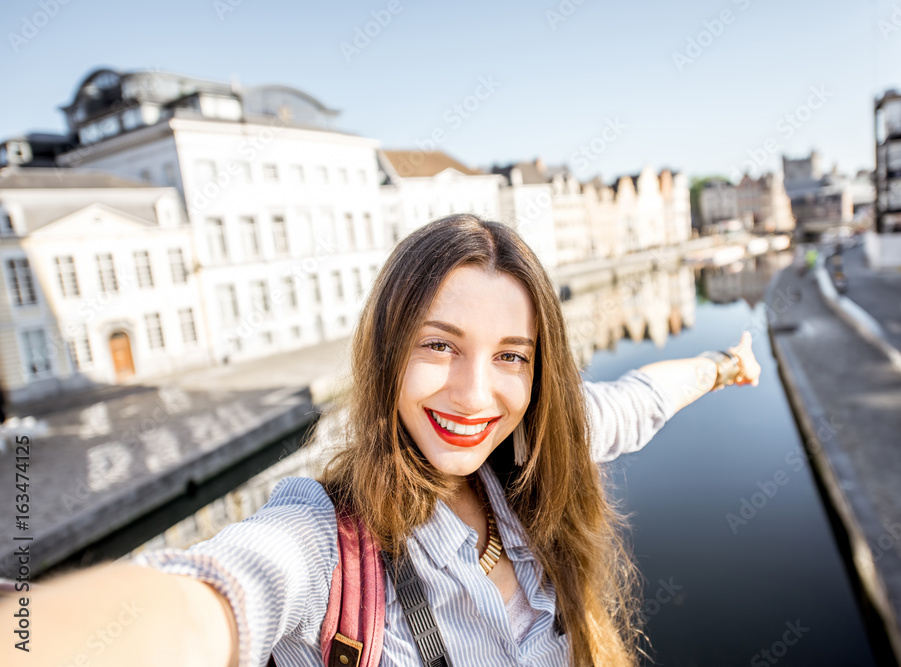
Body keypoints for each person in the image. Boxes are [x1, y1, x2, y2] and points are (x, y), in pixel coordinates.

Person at [1, 215, 760, 666]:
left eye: (510, 355)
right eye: (439, 345)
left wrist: (723, 366)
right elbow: (207, 599)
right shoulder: (323, 541)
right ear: (388, 351)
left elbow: (639, 399)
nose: (473, 393)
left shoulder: (536, 450)